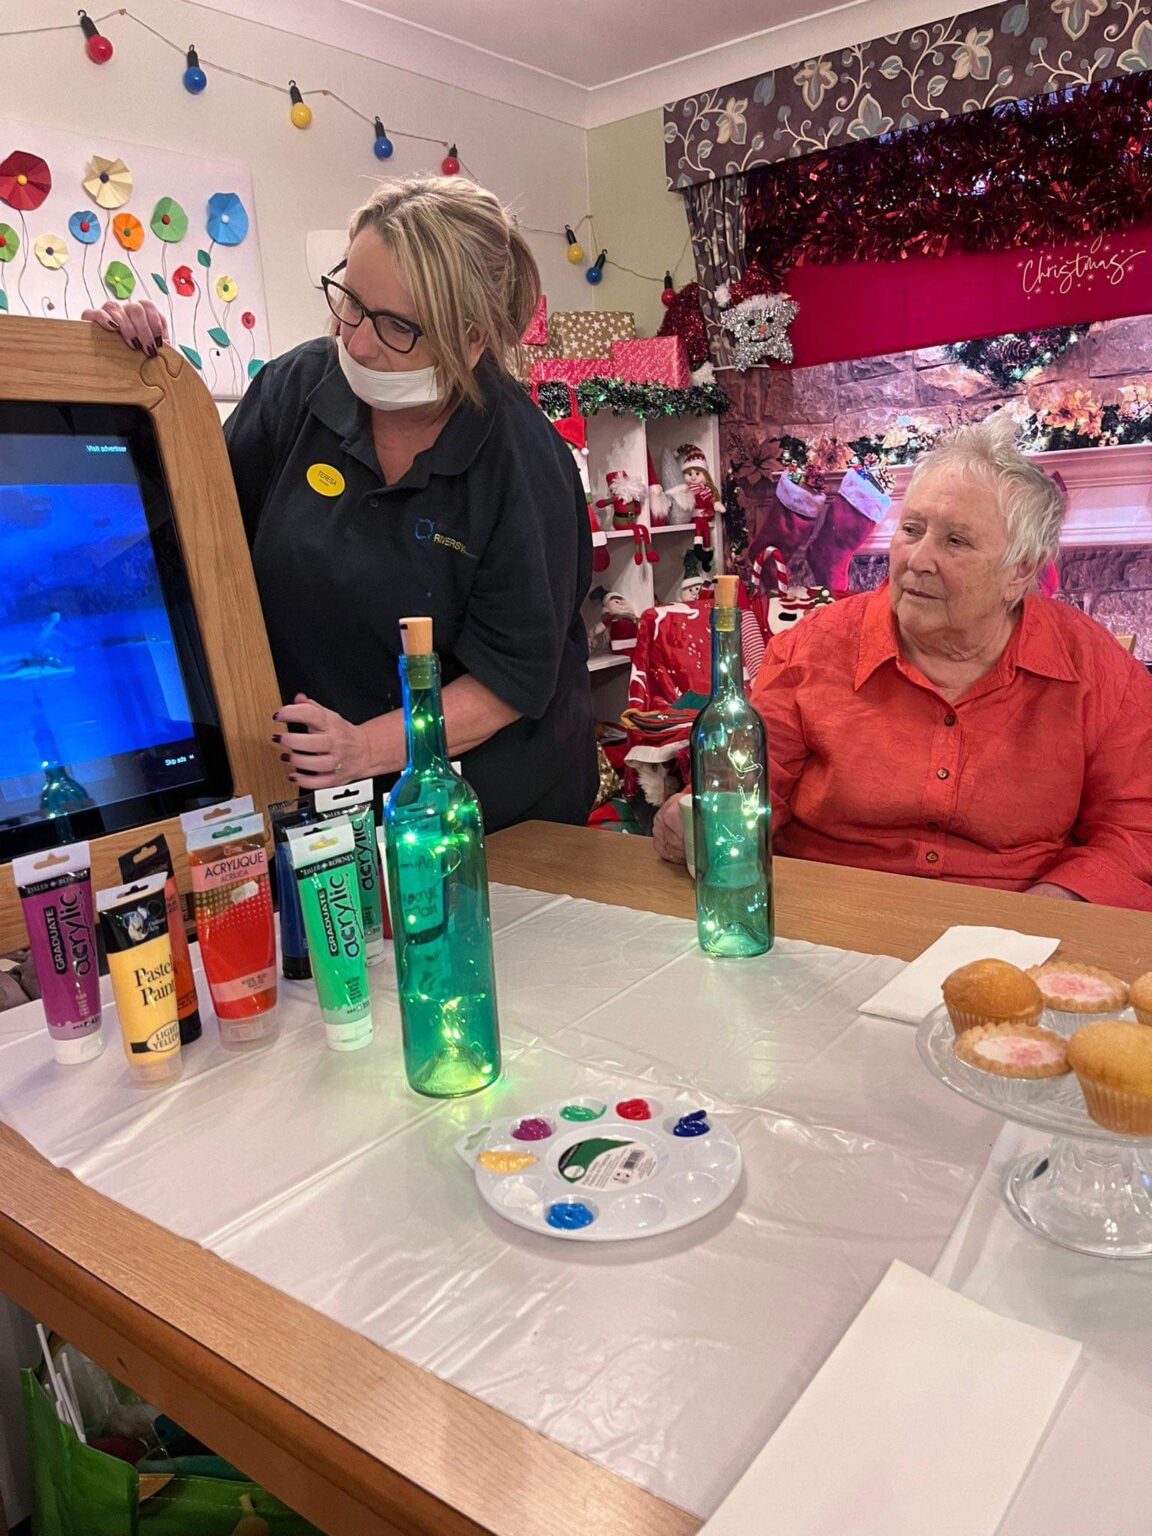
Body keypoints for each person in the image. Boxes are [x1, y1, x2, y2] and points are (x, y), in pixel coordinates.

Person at [84, 176, 596, 832]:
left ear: (470, 340)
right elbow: (189, 519)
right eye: (350, 302)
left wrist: (364, 749)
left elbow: (509, 682)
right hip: (319, 794)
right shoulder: (297, 390)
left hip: (489, 814)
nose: (355, 341)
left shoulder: (522, 462)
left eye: (395, 326)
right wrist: (121, 378)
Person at [654, 414, 1152, 910]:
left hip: (1014, 927)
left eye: (956, 541)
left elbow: (1137, 827)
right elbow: (749, 787)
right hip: (830, 916)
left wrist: (1048, 910)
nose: (917, 560)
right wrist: (702, 820)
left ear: (1020, 570)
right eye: (912, 530)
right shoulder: (814, 648)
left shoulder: (1093, 667)